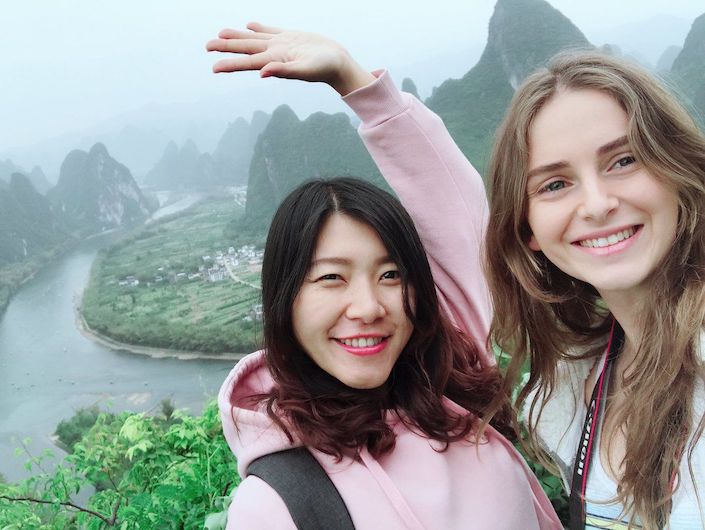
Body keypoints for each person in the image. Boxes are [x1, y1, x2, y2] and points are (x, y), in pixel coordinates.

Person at [207, 22, 705, 529]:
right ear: (283, 302)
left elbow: (457, 221)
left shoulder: (448, 380)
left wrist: (362, 87)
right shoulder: (281, 501)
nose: (367, 306)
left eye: (392, 274)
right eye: (331, 278)